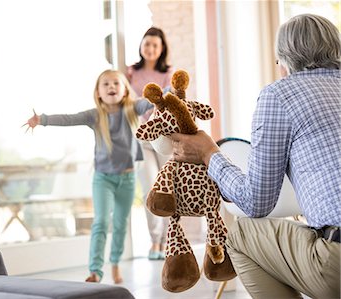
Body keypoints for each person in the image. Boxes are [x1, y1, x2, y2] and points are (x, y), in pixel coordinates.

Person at [170, 14, 340, 298]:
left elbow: (256, 202)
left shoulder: (280, 95)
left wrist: (209, 153)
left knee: (239, 236)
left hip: (335, 263)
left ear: (285, 61)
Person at [23, 69, 153, 284]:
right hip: (103, 179)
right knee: (101, 222)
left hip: (128, 179)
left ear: (124, 90)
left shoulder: (132, 109)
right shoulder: (95, 115)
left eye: (116, 83)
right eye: (106, 84)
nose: (111, 87)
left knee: (120, 224)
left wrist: (172, 90)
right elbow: (69, 119)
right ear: (99, 92)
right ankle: (95, 271)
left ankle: (115, 263)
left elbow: (153, 100)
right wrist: (43, 119)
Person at [126, 26, 174, 260]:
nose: (151, 48)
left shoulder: (168, 73)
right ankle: (154, 242)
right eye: (147, 43)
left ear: (162, 48)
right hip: (141, 138)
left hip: (165, 139)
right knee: (150, 189)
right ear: (141, 45)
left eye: (155, 44)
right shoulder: (130, 73)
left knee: (166, 190)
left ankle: (166, 243)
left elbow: (170, 98)